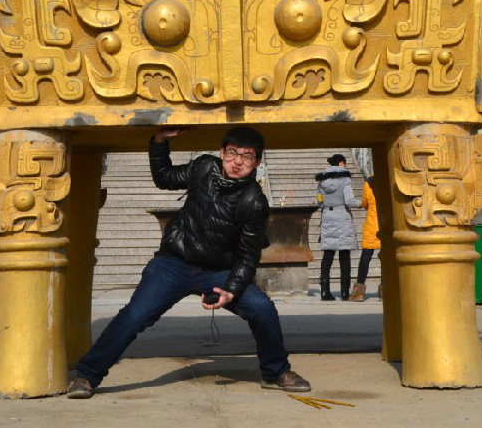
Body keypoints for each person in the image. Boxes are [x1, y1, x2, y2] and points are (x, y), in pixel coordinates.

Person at [67, 126, 311, 399]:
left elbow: (248, 254)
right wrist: (159, 142)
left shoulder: (254, 201)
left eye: (247, 156)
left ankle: (275, 371)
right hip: (175, 262)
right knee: (134, 315)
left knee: (262, 308)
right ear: (222, 152)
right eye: (232, 153)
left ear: (257, 162)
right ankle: (86, 376)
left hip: (218, 272)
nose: (237, 161)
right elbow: (164, 177)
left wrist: (231, 289)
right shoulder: (204, 168)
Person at [315, 153, 357, 301]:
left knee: (328, 255)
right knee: (344, 255)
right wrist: (362, 203)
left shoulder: (321, 181)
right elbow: (350, 201)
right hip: (342, 216)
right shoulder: (345, 179)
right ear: (341, 163)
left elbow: (319, 201)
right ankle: (345, 292)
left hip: (327, 216)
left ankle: (325, 291)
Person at [349, 175, 379, 302]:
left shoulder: (368, 183)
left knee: (365, 257)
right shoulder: (389, 181)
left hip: (372, 224)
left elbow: (365, 203)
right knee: (387, 258)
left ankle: (359, 292)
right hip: (386, 222)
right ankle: (386, 290)